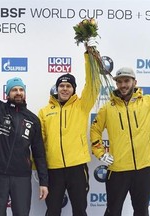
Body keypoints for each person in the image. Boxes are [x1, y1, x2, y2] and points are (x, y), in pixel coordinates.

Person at [90, 58, 150, 216]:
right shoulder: (108, 108)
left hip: (143, 171)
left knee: (141, 212)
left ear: (134, 82)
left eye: (127, 81)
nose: (123, 85)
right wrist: (100, 152)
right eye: (120, 82)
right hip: (117, 171)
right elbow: (95, 129)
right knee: (112, 212)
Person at [0, 34, 48, 216]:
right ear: (8, 93)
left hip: (21, 176)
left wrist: (44, 182)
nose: (18, 92)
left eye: (21, 89)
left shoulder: (33, 119)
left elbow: (39, 154)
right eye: (14, 89)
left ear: (25, 93)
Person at [38, 38, 101, 216]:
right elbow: (39, 142)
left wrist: (89, 56)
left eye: (68, 86)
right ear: (56, 89)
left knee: (80, 210)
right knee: (53, 210)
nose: (64, 89)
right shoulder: (44, 111)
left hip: (77, 168)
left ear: (73, 89)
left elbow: (94, 85)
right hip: (54, 169)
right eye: (61, 86)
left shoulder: (82, 105)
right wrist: (38, 166)